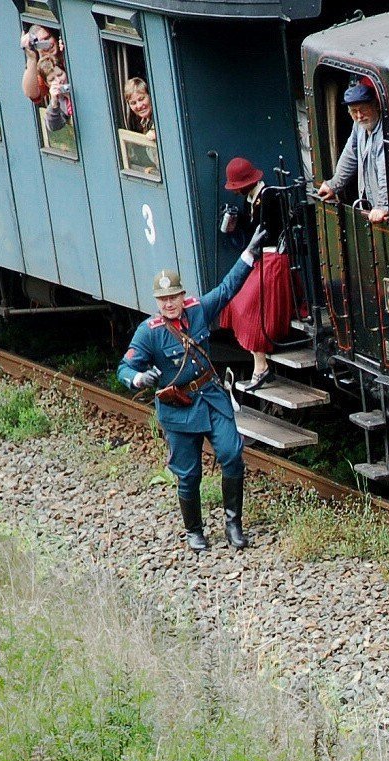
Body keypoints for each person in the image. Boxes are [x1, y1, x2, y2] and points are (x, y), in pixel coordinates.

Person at [116, 225, 267, 551]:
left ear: (182, 296)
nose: (170, 304)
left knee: (232, 454)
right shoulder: (149, 332)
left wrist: (250, 254)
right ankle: (194, 531)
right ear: (157, 302)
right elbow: (124, 368)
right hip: (179, 408)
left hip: (210, 398)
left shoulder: (198, 309)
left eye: (174, 297)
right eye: (163, 299)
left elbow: (227, 289)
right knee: (189, 474)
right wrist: (139, 379)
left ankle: (233, 525)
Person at [221, 156, 295, 391]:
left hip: (275, 259)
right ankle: (259, 363)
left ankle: (260, 366)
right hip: (260, 260)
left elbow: (275, 230)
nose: (237, 192)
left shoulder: (272, 197)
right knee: (235, 299)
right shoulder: (249, 202)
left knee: (250, 303)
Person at [317, 80, 388, 223]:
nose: (359, 116)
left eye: (363, 109)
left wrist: (382, 205)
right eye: (354, 111)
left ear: (376, 106)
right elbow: (350, 154)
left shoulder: (384, 132)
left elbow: (385, 171)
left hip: (381, 208)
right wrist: (333, 184)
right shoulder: (359, 126)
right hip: (369, 204)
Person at [20, 24, 62, 104]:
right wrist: (31, 58)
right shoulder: (44, 65)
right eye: (41, 43)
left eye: (47, 39)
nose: (46, 45)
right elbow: (32, 94)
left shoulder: (64, 50)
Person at [40, 59, 72, 133]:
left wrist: (69, 96)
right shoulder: (59, 100)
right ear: (48, 84)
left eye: (60, 75)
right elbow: (53, 127)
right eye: (52, 79)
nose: (58, 81)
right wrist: (54, 104)